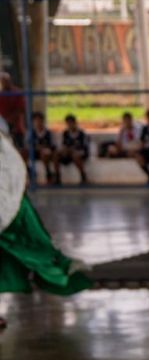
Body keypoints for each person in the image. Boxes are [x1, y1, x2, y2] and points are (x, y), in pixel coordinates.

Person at [0, 128, 90, 304]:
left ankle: (54, 272)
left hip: (7, 207)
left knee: (18, 251)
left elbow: (8, 165)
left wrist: (16, 182)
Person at [56, 114, 90, 184]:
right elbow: (64, 145)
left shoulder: (81, 134)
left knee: (75, 155)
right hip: (68, 153)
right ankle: (57, 176)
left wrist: (73, 149)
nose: (70, 125)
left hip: (80, 152)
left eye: (71, 123)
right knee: (56, 154)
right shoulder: (65, 133)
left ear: (75, 123)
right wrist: (65, 150)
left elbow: (84, 147)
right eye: (68, 123)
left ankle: (83, 175)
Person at [27, 112, 58, 183]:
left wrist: (44, 147)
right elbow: (28, 145)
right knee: (24, 153)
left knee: (44, 153)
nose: (38, 123)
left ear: (43, 121)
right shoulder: (31, 133)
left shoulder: (49, 133)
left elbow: (53, 146)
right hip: (35, 152)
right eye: (36, 121)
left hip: (47, 152)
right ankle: (29, 172)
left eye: (39, 121)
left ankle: (48, 172)